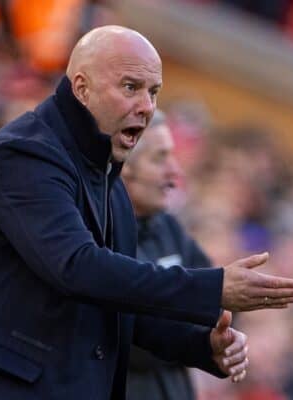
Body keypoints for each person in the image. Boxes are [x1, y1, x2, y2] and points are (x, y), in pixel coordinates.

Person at [0, 25, 293, 400]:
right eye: (131, 87)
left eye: (154, 91)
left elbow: (113, 303)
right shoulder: (25, 154)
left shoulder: (105, 177)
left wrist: (199, 346)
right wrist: (211, 288)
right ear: (81, 87)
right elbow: (76, 268)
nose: (146, 106)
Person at [122, 110, 212, 400]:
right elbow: (135, 343)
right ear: (124, 166)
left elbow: (222, 302)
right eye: (160, 158)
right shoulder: (95, 235)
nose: (175, 171)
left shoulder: (168, 226)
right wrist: (196, 336)